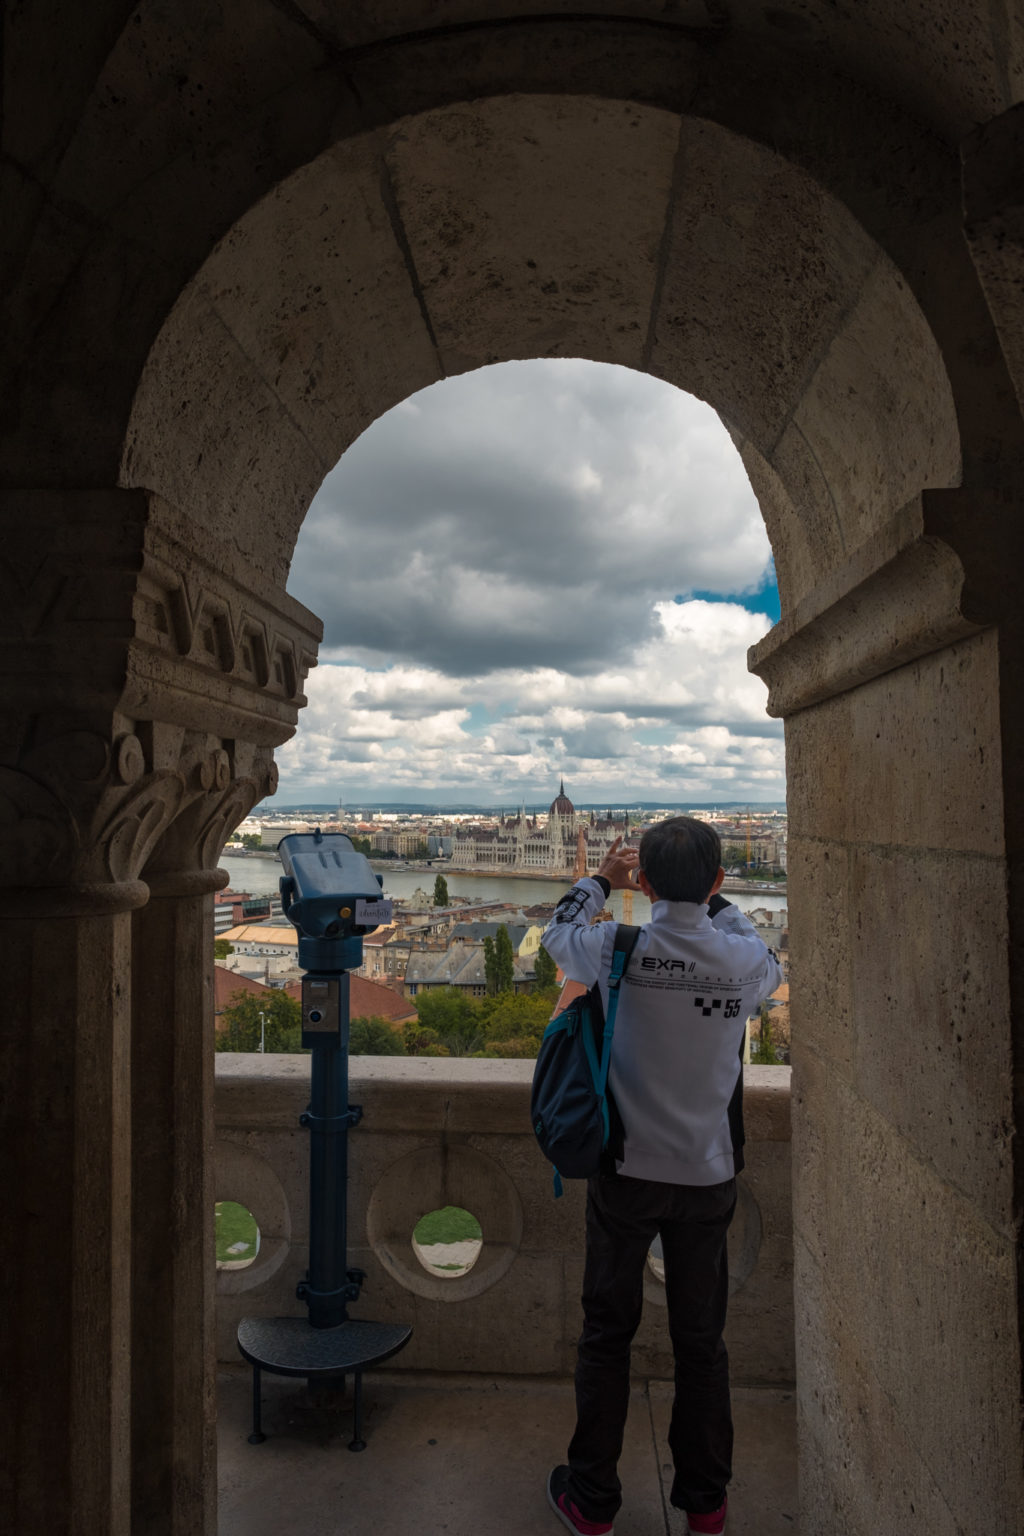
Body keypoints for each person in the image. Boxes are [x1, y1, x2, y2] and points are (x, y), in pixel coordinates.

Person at [540, 816, 783, 1536]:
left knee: (605, 1336)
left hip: (626, 1169)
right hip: (707, 1174)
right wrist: (718, 900)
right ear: (715, 883)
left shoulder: (614, 949)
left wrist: (601, 881)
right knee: (701, 1344)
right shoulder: (742, 963)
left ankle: (592, 1501)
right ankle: (706, 1502)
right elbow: (763, 957)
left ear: (643, 883)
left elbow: (559, 931)